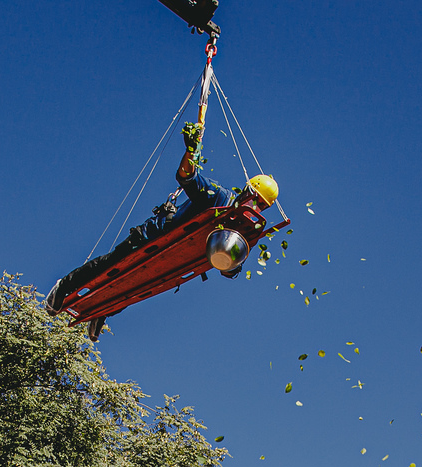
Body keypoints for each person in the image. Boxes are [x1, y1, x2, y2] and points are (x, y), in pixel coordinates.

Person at [47, 122, 279, 340]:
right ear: (247, 191)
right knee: (112, 265)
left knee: (138, 283)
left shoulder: (246, 229)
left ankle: (103, 311)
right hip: (154, 236)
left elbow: (229, 270)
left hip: (179, 257)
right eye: (255, 200)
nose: (256, 208)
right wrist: (191, 151)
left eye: (262, 206)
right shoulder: (219, 197)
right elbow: (187, 177)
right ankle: (64, 286)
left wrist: (233, 262)